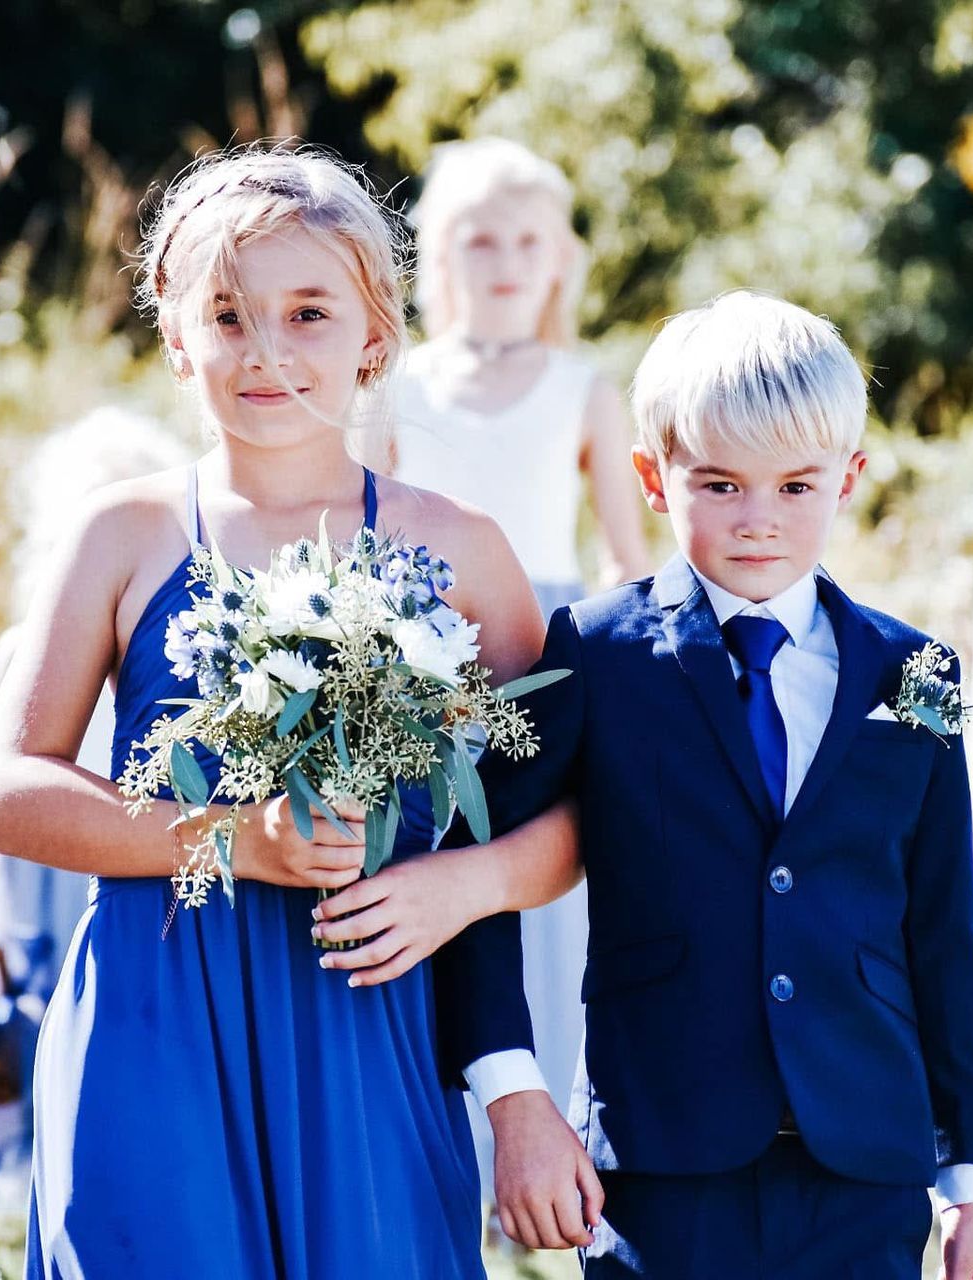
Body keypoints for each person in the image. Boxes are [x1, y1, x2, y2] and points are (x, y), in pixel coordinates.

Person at [0, 143, 582, 1278]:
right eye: (229, 315)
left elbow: (570, 818)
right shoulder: (126, 533)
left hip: (371, 1032)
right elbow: (8, 797)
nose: (267, 352)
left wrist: (463, 883)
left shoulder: (464, 553)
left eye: (308, 312)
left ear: (377, 332)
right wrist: (231, 839)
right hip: (154, 1033)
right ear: (174, 328)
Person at [318, 291, 973, 1278]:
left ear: (849, 476)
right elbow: (476, 867)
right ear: (652, 476)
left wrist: (970, 1189)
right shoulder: (594, 654)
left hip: (866, 1163)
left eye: (795, 485)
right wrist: (512, 1090)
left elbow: (945, 927)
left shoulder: (920, 677)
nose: (759, 519)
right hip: (659, 1158)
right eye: (722, 484)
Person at [382, 139, 650, 1207]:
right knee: (445, 875)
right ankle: (452, 1150)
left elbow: (629, 557)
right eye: (480, 239)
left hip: (550, 663)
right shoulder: (399, 385)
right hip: (424, 664)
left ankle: (562, 1153)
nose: (504, 260)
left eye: (527, 240)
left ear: (559, 259)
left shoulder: (583, 386)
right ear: (441, 254)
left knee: (548, 895)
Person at [0, 407, 188, 1216]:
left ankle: (100, 1155)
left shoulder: (170, 649)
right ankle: (18, 1163)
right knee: (27, 1004)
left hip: (118, 853)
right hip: (32, 865)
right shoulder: (25, 645)